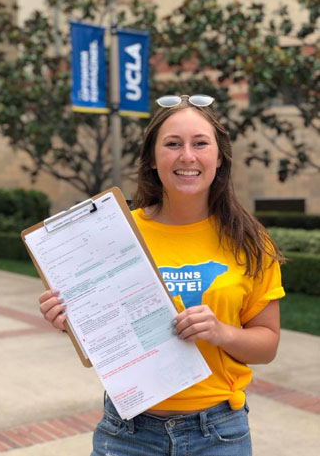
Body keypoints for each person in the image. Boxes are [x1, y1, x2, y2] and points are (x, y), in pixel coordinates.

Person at [39, 94, 285, 456]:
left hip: (218, 434)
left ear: (219, 158)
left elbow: (268, 345)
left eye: (200, 144)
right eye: (172, 144)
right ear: (153, 160)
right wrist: (70, 318)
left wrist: (221, 332)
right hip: (127, 433)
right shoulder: (116, 233)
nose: (187, 156)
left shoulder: (249, 240)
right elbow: (105, 324)